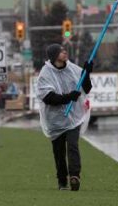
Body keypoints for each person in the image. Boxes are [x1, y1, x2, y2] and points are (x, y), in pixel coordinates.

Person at [36, 43, 92, 191]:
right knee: (59, 152)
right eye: (61, 51)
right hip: (54, 120)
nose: (65, 52)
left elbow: (86, 87)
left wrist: (87, 73)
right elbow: (48, 97)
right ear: (54, 56)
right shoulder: (45, 73)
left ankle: (75, 176)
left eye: (64, 50)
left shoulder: (72, 68)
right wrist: (68, 97)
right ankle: (62, 180)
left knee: (73, 145)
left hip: (73, 117)